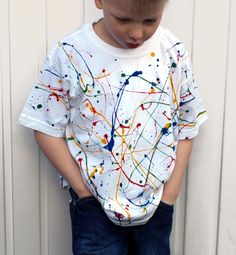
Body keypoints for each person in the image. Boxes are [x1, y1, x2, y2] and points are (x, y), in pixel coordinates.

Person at [18, 0, 208, 254]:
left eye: (150, 21)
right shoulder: (71, 53)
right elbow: (44, 126)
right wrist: (84, 192)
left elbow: (188, 123)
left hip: (156, 209)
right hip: (94, 209)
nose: (136, 33)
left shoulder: (172, 52)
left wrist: (169, 196)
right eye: (123, 19)